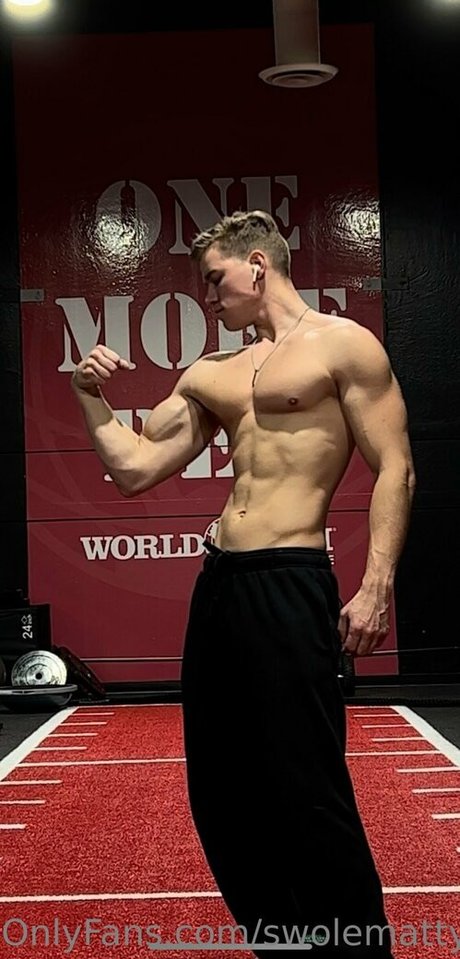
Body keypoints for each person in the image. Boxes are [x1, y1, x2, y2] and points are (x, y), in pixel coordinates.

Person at [72, 210, 416, 956]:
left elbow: (396, 466)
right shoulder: (213, 372)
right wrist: (89, 394)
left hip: (290, 579)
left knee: (307, 784)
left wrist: (376, 584)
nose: (207, 296)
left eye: (215, 279)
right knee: (220, 789)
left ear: (258, 266)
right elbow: (134, 469)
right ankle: (286, 945)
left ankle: (359, 950)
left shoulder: (344, 346)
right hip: (221, 584)